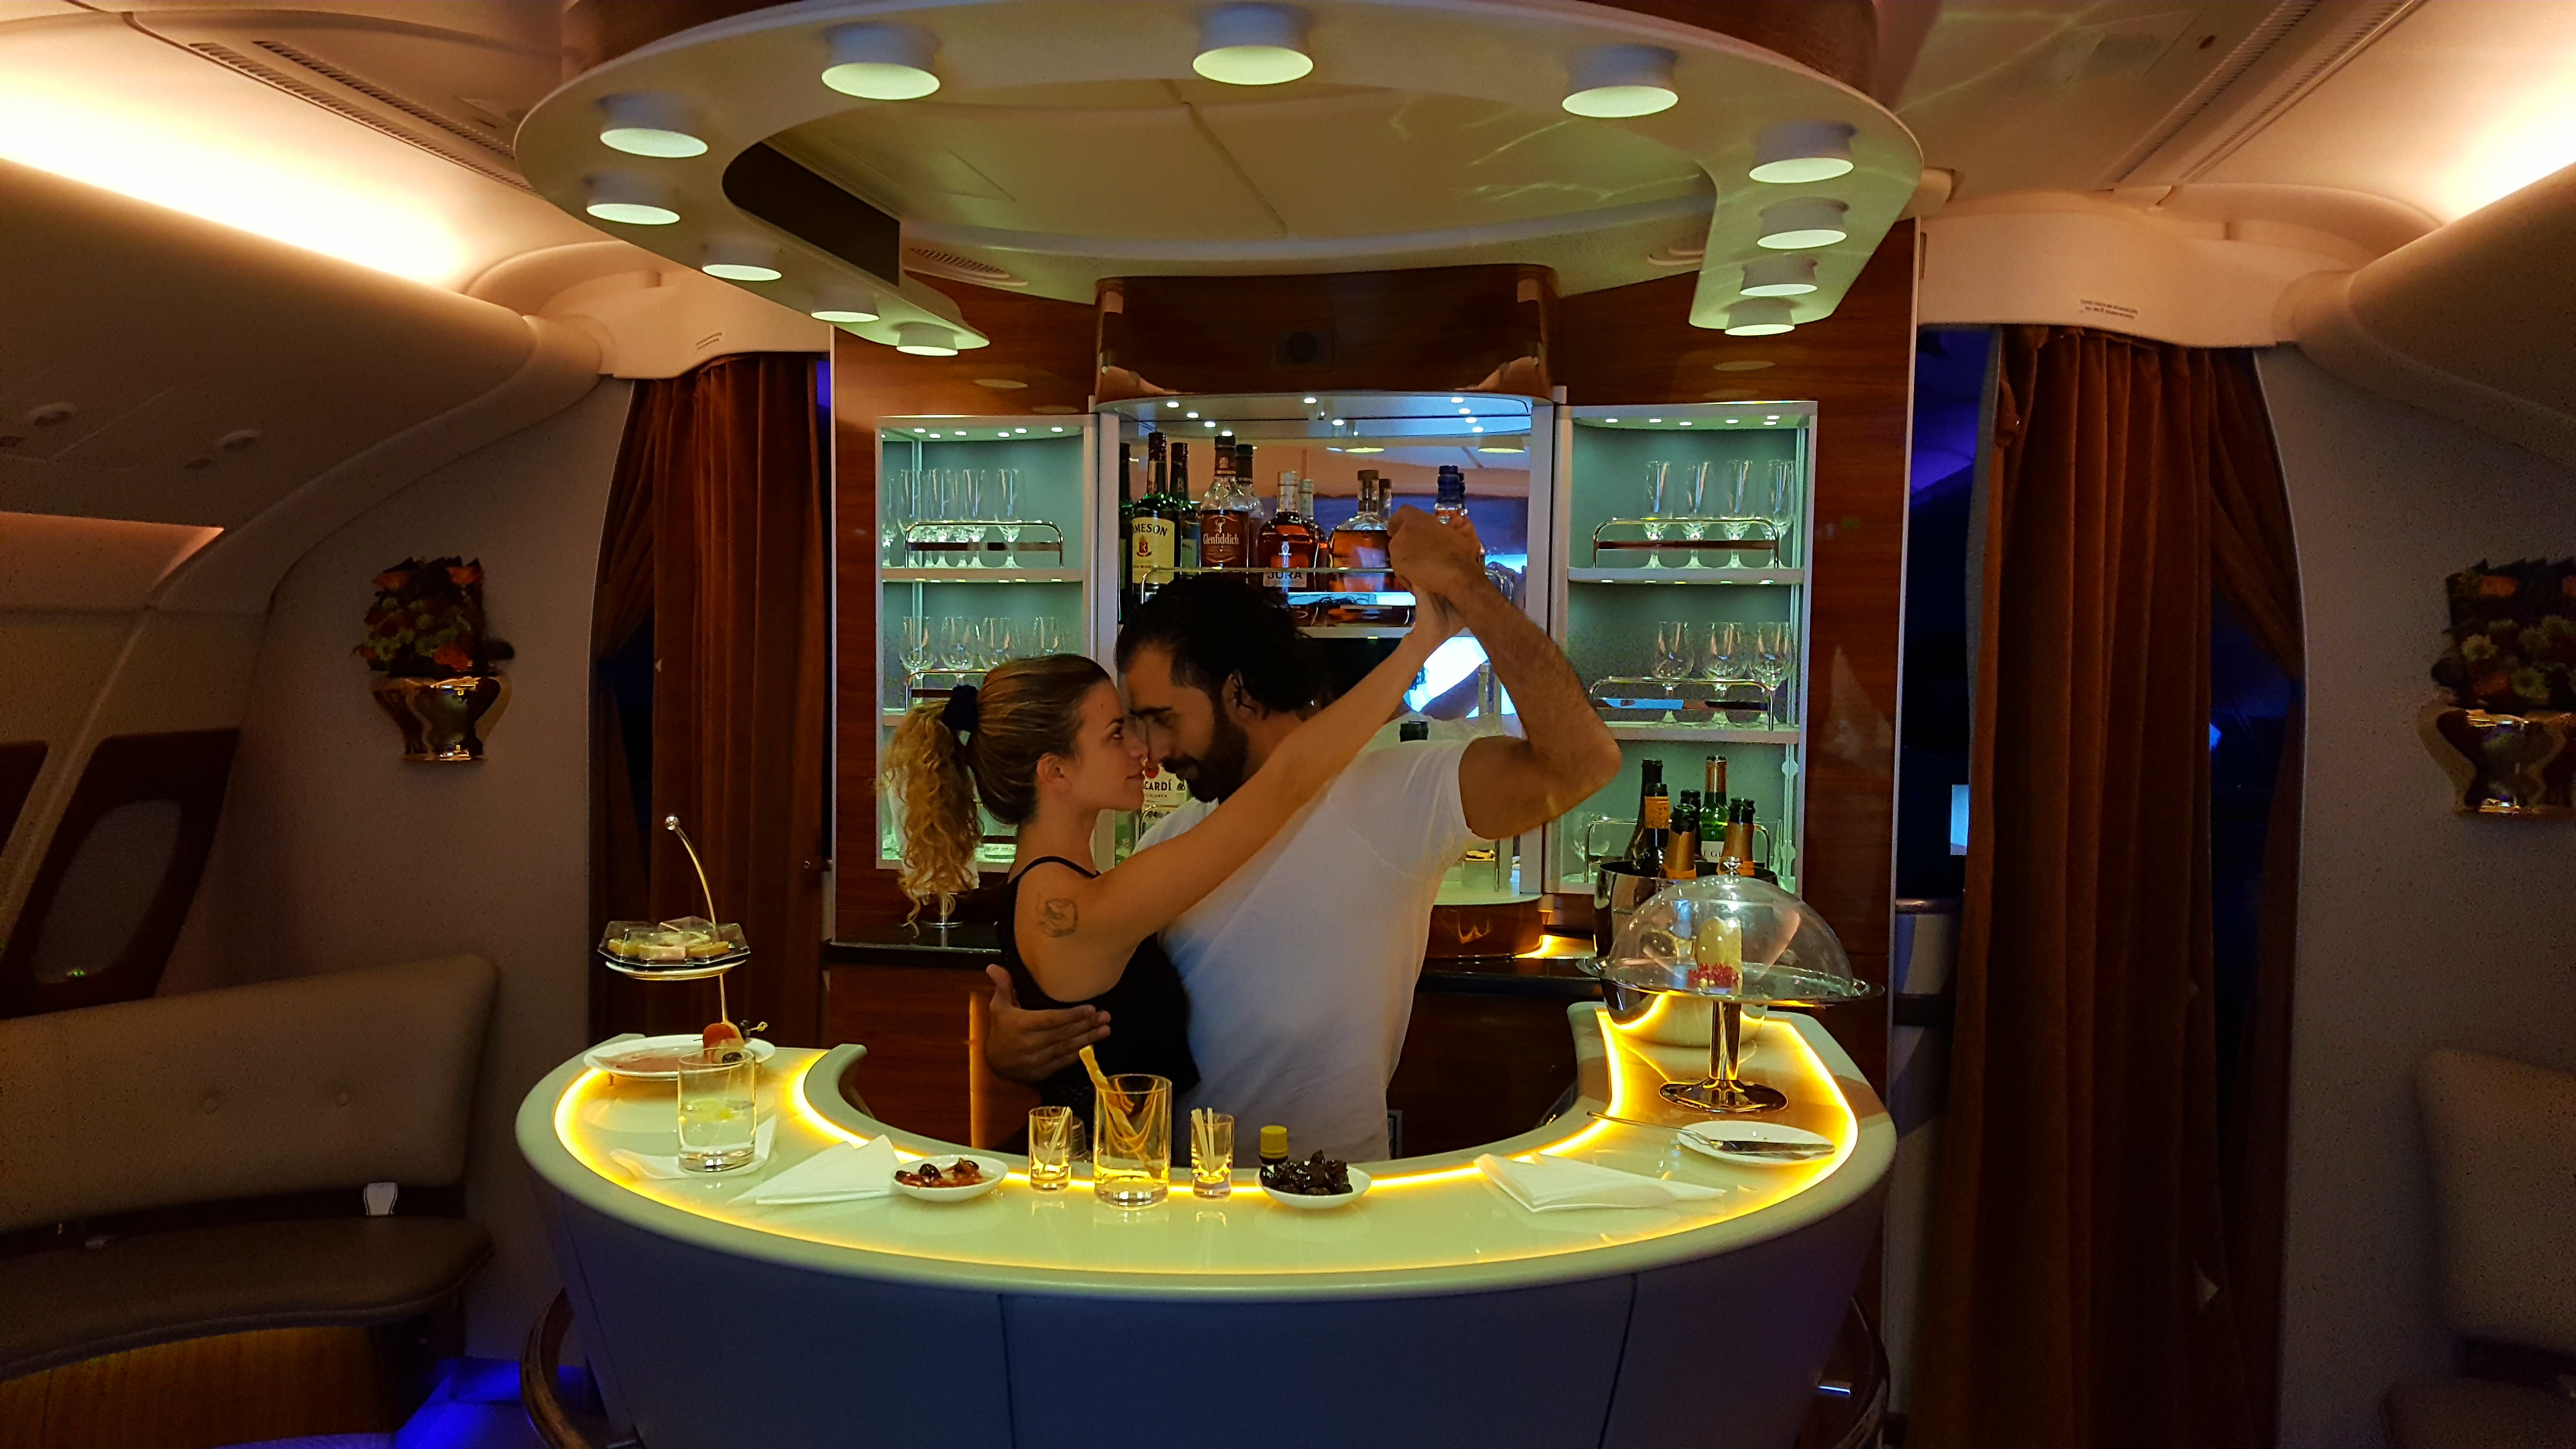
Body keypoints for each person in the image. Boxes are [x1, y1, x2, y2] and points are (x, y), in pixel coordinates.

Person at [982, 507, 1620, 1161]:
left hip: (1329, 1190)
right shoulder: (1170, 839)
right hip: (1185, 1190)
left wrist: (1469, 589)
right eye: (1127, 727)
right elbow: (1105, 1010)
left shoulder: (1401, 788)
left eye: (1159, 718)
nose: (1150, 749)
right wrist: (1019, 1047)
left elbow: (1584, 762)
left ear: (1239, 694)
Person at [883, 593, 1461, 1127]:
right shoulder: (1080, 905)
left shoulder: (1067, 888)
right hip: (1105, 1182)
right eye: (1117, 733)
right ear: (1055, 771)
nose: (1144, 748)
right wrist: (1420, 640)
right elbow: (1285, 782)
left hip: (1126, 1174)